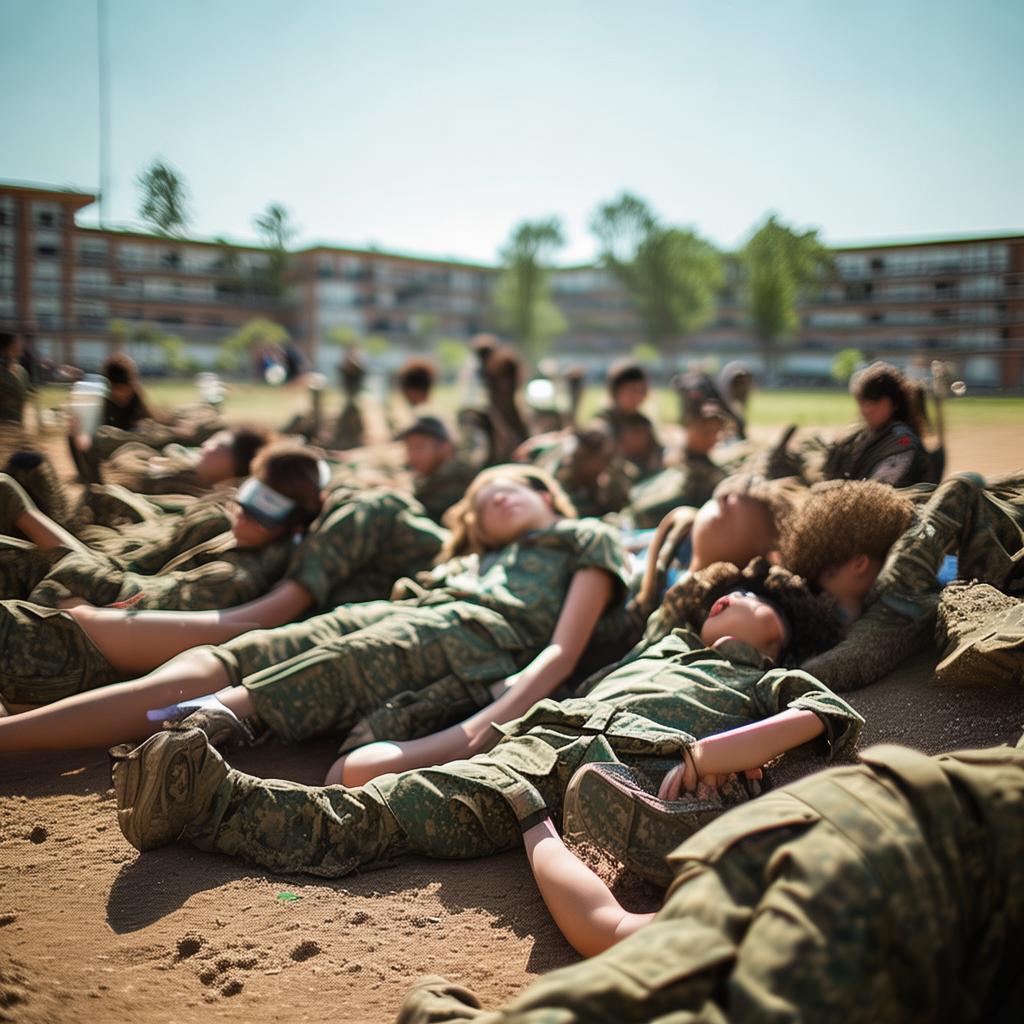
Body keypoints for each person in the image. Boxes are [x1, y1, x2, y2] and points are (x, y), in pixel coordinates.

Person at [104, 559, 859, 921]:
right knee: (388, 811)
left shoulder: (765, 681)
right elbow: (677, 570)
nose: (734, 596)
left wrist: (711, 755)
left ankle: (664, 839)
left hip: (640, 762)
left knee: (633, 795)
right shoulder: (656, 644)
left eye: (757, 601)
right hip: (528, 752)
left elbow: (821, 718)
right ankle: (206, 802)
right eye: (729, 590)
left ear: (784, 640)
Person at [0, 465, 628, 752]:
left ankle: (190, 725)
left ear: (546, 491)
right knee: (231, 656)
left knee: (303, 675)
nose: (494, 500)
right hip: (406, 611)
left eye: (506, 488)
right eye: (482, 500)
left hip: (472, 634)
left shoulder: (585, 537)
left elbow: (560, 651)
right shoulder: (469, 560)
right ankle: (21, 732)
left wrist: (472, 733)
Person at [397, 737, 1024, 1023]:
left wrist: (533, 817)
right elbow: (610, 932)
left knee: (665, 975)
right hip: (908, 863)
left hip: (832, 814)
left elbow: (613, 935)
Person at [0, 456, 448, 708]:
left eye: (263, 511)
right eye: (246, 502)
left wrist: (95, 620)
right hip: (107, 612)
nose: (244, 515)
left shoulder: (253, 571)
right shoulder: (261, 538)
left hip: (104, 630)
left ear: (291, 526)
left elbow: (255, 621)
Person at [781, 473, 1024, 690]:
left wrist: (786, 680)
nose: (822, 596)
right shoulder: (895, 521)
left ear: (858, 564)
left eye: (821, 581)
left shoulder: (903, 574)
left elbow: (862, 652)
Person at [823, 361, 929, 487]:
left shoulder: (903, 442)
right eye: (863, 402)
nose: (867, 409)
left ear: (895, 403)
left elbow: (879, 492)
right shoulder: (858, 437)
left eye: (876, 402)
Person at [396, 416, 476, 525]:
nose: (411, 456)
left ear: (444, 448)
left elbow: (429, 512)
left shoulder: (459, 479)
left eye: (419, 447)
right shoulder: (430, 477)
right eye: (408, 448)